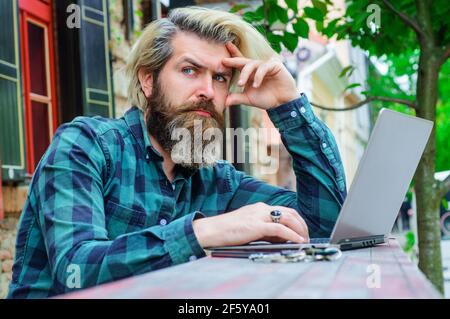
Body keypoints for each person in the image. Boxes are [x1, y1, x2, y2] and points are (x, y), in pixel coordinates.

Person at [8, 7, 347, 298]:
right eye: (189, 70)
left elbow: (324, 224)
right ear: (148, 81)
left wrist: (287, 106)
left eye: (219, 78)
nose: (207, 91)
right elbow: (76, 269)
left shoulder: (218, 181)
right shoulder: (86, 145)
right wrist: (207, 232)